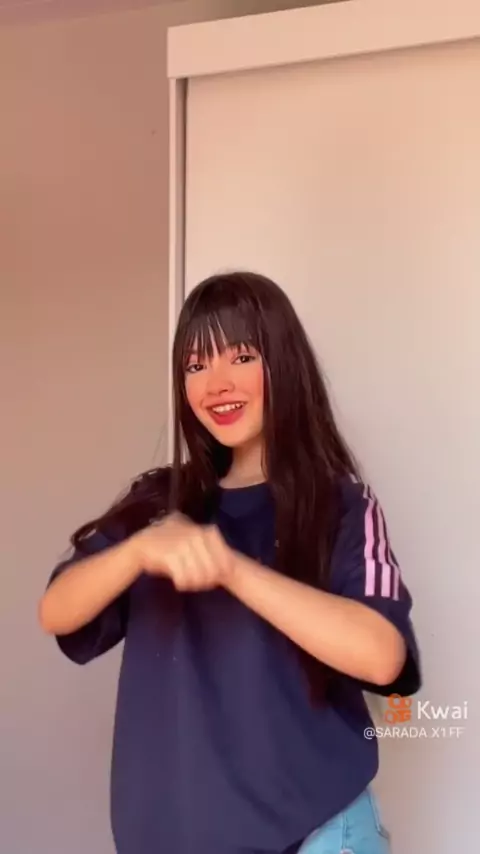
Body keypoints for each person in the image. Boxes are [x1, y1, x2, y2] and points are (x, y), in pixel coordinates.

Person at [39, 271, 421, 854]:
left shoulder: (340, 504)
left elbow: (381, 654)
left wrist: (234, 571)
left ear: (284, 363)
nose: (216, 383)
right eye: (195, 365)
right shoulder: (157, 502)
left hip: (318, 836)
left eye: (241, 356)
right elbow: (57, 610)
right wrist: (140, 550)